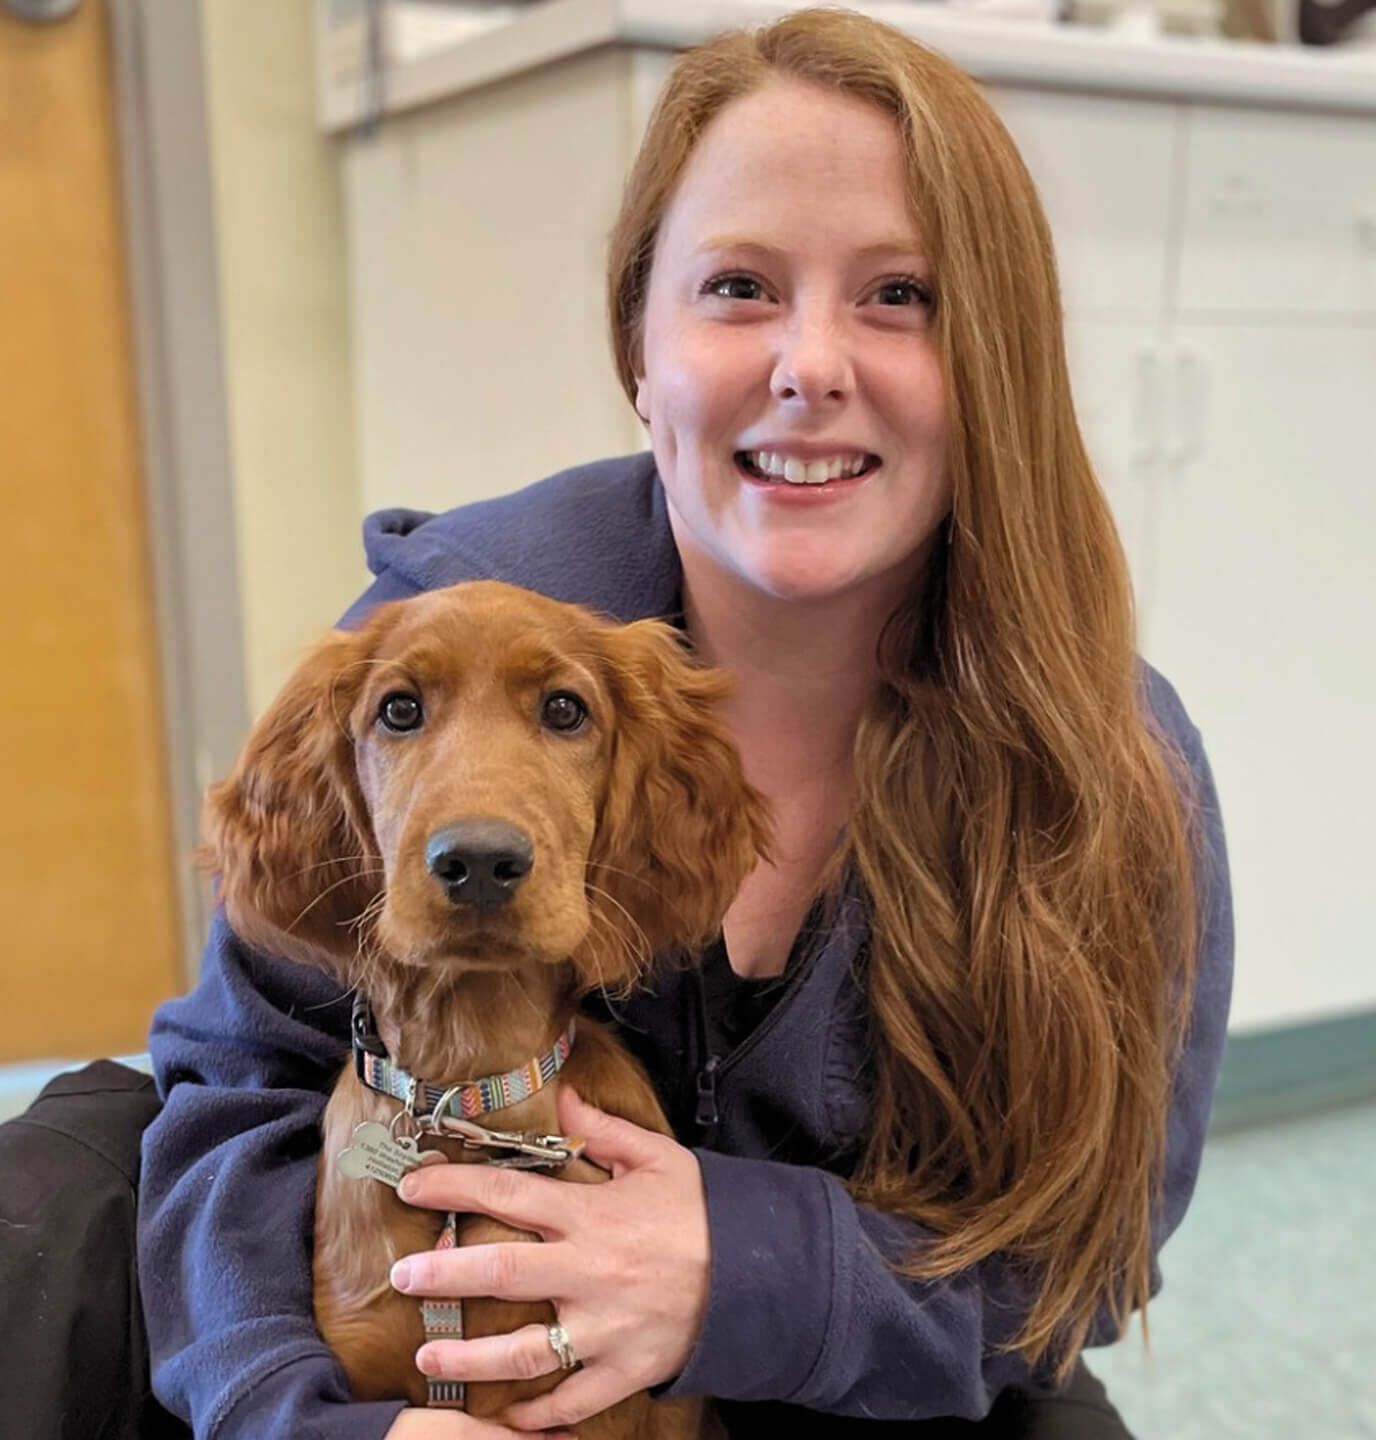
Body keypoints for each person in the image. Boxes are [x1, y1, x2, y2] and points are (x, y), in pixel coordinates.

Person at [136, 10, 1233, 1440]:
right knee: (51, 1208)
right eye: (738, 286)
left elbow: (1077, 1259)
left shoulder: (1110, 768)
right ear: (639, 347)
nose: (810, 364)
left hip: (871, 1362)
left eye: (901, 295)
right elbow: (230, 1089)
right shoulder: (428, 633)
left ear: (995, 367)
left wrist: (743, 1269)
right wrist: (309, 1420)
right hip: (395, 1343)